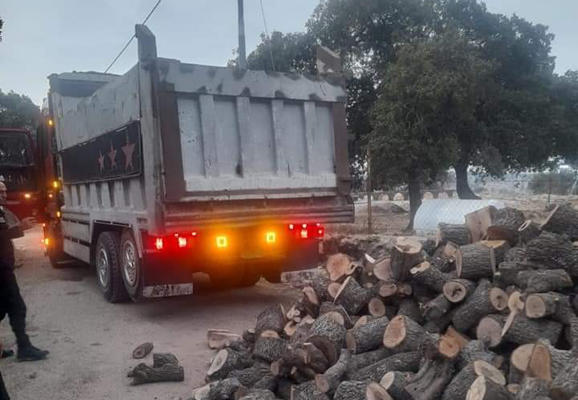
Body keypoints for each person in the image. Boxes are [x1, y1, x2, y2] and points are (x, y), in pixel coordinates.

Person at [0, 181, 48, 361]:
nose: (4, 195)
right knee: (17, 307)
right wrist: (20, 228)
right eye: (0, 192)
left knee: (11, 308)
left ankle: (22, 347)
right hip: (1, 271)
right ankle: (24, 348)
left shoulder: (2, 212)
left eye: (5, 191)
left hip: (5, 268)